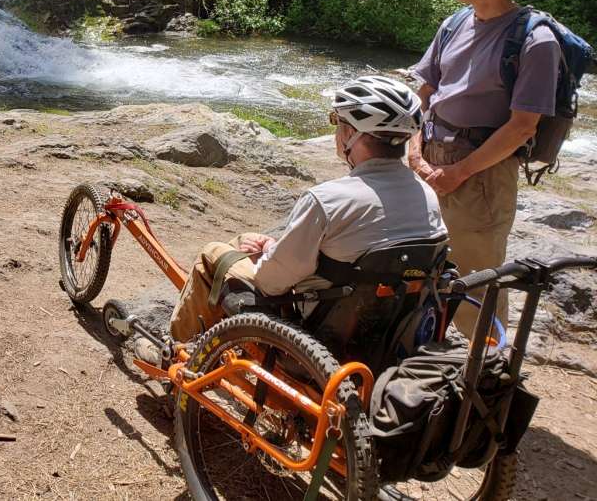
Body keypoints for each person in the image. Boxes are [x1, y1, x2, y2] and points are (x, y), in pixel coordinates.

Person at [170, 75, 446, 344]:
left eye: (337, 122)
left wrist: (269, 254)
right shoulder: (427, 195)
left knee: (214, 255)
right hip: (388, 330)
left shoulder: (328, 199)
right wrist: (273, 249)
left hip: (317, 327)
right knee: (248, 244)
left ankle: (176, 349)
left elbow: (272, 282)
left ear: (351, 133)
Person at [408, 0, 560, 335]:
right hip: (428, 164)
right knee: (415, 271)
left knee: (474, 285)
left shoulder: (535, 40)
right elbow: (423, 94)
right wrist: (414, 153)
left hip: (482, 179)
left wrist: (460, 172)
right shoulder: (453, 23)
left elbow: (523, 125)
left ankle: (482, 378)